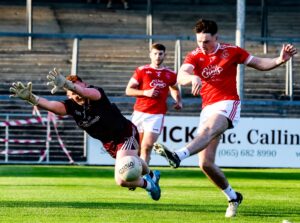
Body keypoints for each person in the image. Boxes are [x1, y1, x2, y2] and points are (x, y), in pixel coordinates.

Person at [154, 19, 298, 217]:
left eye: (206, 41)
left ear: (216, 37)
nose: (202, 46)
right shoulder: (195, 55)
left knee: (209, 129)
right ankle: (232, 197)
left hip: (228, 104)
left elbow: (259, 63)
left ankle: (178, 156)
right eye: (199, 41)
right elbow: (181, 76)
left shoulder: (231, 51)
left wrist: (279, 60)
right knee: (205, 164)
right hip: (208, 108)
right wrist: (193, 78)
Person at [9, 68, 161, 201]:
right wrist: (32, 98)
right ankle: (152, 176)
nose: (76, 94)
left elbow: (84, 92)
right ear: (69, 96)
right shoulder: (71, 106)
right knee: (130, 169)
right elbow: (52, 106)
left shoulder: (96, 93)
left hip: (125, 134)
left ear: (84, 84)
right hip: (110, 144)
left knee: (121, 180)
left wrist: (69, 85)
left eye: (77, 87)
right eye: (72, 93)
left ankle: (149, 185)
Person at [125, 43, 182, 164]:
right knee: (138, 149)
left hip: (156, 115)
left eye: (160, 54)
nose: (157, 56)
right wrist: (146, 92)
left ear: (165, 55)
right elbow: (128, 90)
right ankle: (143, 174)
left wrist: (178, 100)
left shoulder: (170, 74)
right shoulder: (142, 71)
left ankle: (145, 178)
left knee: (147, 147)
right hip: (139, 113)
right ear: (150, 55)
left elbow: (174, 88)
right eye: (155, 54)